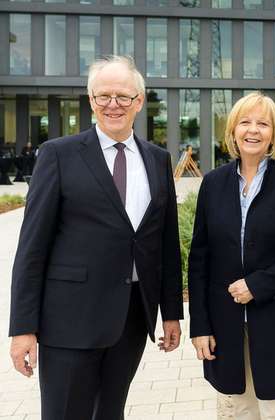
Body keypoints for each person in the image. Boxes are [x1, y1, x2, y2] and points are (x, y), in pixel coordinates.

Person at [9, 55, 184, 420]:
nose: (113, 105)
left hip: (132, 318)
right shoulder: (58, 154)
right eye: (103, 96)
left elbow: (164, 242)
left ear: (139, 101)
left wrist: (171, 313)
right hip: (69, 321)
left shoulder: (157, 159)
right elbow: (31, 247)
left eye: (122, 96)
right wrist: (23, 328)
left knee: (110, 412)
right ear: (91, 100)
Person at [188, 92, 275, 420]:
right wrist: (200, 325)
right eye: (245, 122)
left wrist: (258, 284)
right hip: (225, 322)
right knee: (239, 409)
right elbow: (200, 258)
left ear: (274, 133)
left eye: (263, 123)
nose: (254, 130)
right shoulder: (213, 184)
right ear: (233, 130)